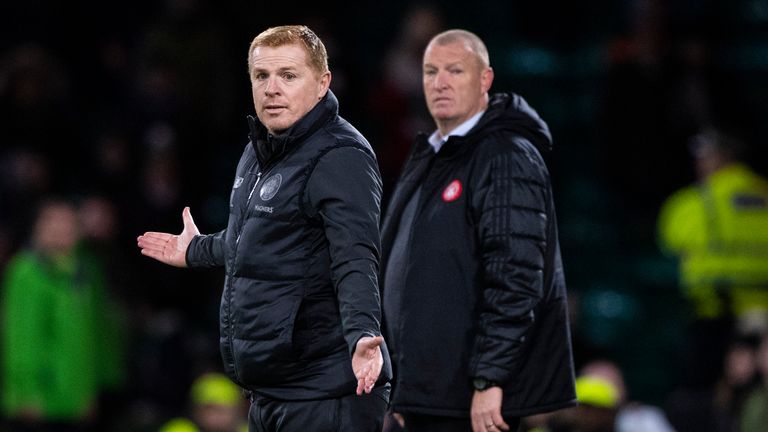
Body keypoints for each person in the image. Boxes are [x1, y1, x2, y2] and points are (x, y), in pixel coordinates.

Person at [136, 25, 391, 432]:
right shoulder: (257, 153)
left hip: (327, 392)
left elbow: (355, 254)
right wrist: (197, 250)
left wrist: (363, 332)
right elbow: (260, 238)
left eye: (288, 76)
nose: (272, 89)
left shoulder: (341, 155)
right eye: (262, 76)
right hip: (274, 393)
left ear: (323, 83)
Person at [380, 29, 576, 432]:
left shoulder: (505, 155)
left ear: (485, 79)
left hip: (471, 398)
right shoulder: (432, 156)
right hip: (426, 394)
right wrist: (403, 386)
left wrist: (491, 378)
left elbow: (517, 275)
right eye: (431, 71)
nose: (441, 82)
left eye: (455, 70)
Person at [657, 128, 768, 386]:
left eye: (703, 157)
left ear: (719, 158)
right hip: (761, 311)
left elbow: (670, 244)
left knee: (705, 391)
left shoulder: (690, 204)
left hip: (714, 313)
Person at [1, 198, 124, 431]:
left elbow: (86, 340)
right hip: (38, 404)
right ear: (37, 228)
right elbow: (21, 337)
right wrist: (27, 392)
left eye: (68, 223)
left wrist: (87, 393)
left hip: (74, 403)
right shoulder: (25, 271)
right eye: (52, 222)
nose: (61, 230)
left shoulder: (81, 272)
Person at [158, 372, 247, 432]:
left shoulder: (252, 429)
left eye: (220, 410)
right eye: (208, 409)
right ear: (195, 410)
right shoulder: (179, 429)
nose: (214, 417)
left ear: (237, 410)